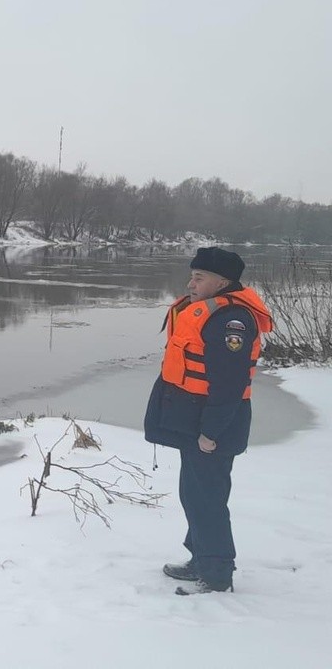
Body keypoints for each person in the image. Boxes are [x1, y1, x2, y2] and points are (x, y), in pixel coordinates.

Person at [144, 246, 273, 595]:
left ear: (222, 281)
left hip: (213, 426)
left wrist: (210, 432)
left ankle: (216, 575)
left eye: (199, 277)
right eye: (192, 275)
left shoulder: (232, 320)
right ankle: (200, 558)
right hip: (196, 421)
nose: (191, 283)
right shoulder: (207, 310)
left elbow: (229, 384)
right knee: (194, 493)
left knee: (208, 498)